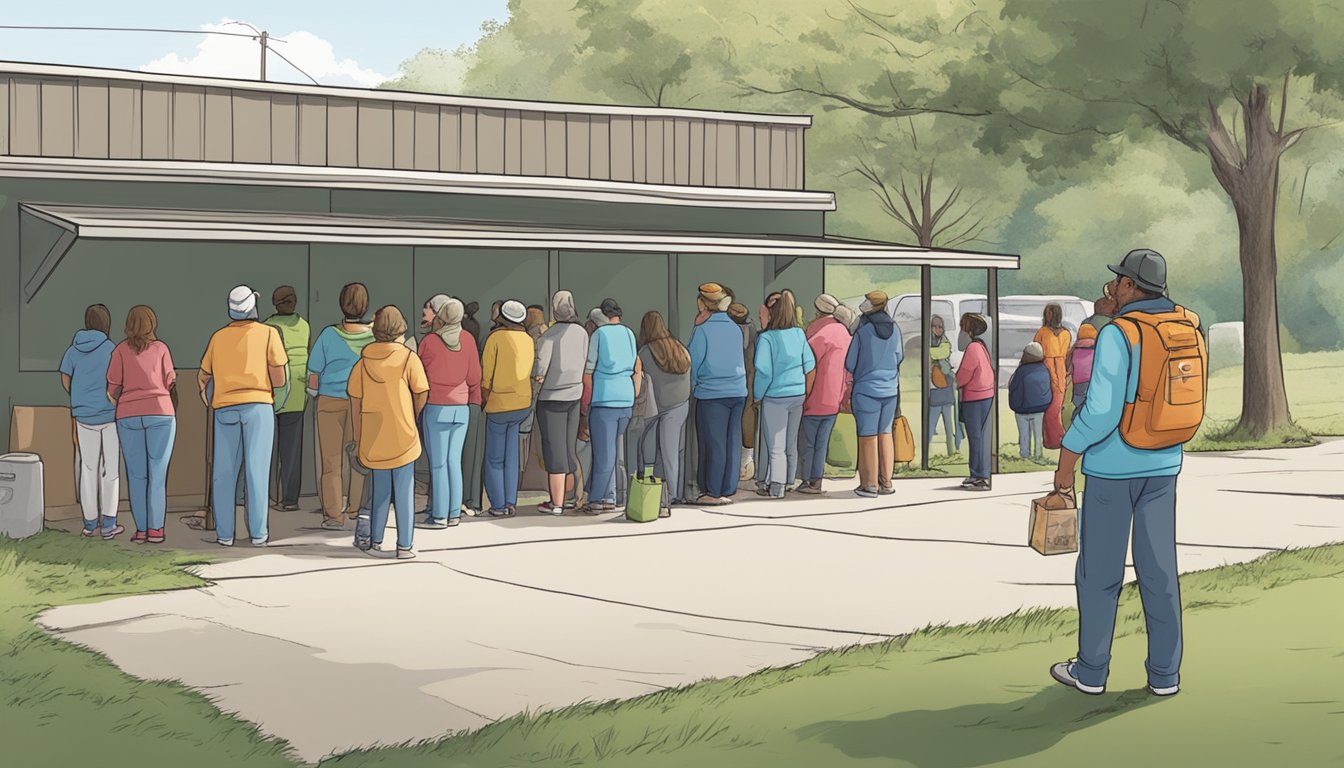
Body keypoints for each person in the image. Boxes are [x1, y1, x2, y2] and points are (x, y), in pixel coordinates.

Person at [1050, 248, 1204, 698]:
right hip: (1164, 462)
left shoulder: (1121, 333)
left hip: (1112, 470)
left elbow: (1100, 412)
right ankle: (1164, 676)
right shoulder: (1186, 326)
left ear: (1132, 287)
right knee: (1160, 571)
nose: (1113, 287)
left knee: (1099, 573)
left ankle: (1092, 671)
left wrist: (1067, 456)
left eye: (1119, 281)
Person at [199, 286, 288, 547]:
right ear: (253, 307)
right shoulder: (269, 334)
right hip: (258, 407)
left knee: (224, 473)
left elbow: (203, 375)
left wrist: (210, 397)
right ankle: (258, 533)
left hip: (225, 408)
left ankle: (225, 534)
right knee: (256, 471)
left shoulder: (218, 337)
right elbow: (280, 378)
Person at [348, 306, 429, 558]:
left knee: (380, 491)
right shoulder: (408, 358)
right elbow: (422, 391)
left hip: (374, 436)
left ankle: (375, 542)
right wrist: (411, 416)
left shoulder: (362, 364)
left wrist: (359, 438)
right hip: (403, 434)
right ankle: (404, 546)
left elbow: (355, 403)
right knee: (404, 492)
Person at [107, 305, 176, 544]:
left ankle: (141, 530)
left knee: (136, 476)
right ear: (152, 323)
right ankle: (156, 529)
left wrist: (124, 398)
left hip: (128, 415)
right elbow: (170, 381)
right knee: (157, 474)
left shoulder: (120, 351)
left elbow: (113, 386)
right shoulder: (161, 349)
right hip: (160, 413)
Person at [308, 283, 374, 529]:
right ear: (365, 306)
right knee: (359, 455)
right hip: (363, 403)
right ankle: (356, 508)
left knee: (331, 462)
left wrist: (314, 394)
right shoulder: (374, 336)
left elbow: (313, 373)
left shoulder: (328, 335)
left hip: (329, 402)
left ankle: (334, 515)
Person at [414, 298, 479, 529]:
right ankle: (453, 513)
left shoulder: (430, 341)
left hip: (436, 407)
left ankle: (439, 515)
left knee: (439, 464)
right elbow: (474, 378)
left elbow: (419, 375)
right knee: (454, 462)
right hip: (461, 409)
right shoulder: (468, 340)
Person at [60, 304, 123, 539]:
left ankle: (89, 523)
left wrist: (78, 397)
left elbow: (66, 378)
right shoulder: (111, 349)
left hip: (83, 415)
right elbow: (117, 380)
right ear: (106, 324)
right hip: (109, 416)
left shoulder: (73, 349)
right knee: (111, 470)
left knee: (88, 469)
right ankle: (109, 523)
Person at [581, 298, 642, 513]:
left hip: (604, 398)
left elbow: (588, 372)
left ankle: (598, 498)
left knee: (604, 453)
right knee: (613, 452)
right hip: (625, 398)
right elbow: (635, 365)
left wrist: (585, 402)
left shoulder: (600, 334)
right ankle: (610, 494)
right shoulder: (629, 333)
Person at [688, 283, 747, 506]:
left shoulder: (702, 330)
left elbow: (693, 363)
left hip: (712, 393)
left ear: (702, 303)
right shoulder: (734, 328)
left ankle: (712, 491)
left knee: (714, 443)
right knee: (732, 440)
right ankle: (728, 487)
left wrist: (691, 388)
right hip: (737, 391)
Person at [753, 290, 815, 498]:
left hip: (775, 396)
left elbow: (763, 371)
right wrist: (805, 391)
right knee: (790, 443)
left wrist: (757, 395)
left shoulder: (767, 339)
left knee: (775, 445)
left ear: (772, 314)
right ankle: (788, 481)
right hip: (797, 394)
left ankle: (777, 487)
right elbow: (810, 364)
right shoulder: (798, 334)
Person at [845, 291, 904, 498]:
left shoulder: (863, 332)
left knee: (867, 436)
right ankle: (886, 482)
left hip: (866, 390)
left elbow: (850, 363)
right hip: (890, 390)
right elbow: (899, 356)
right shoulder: (895, 329)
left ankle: (869, 485)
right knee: (885, 434)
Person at [533, 290, 587, 514]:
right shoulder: (582, 333)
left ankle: (556, 503)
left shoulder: (549, 336)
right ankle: (572, 497)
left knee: (553, 451)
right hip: (574, 394)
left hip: (551, 398)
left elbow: (539, 370)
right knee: (567, 448)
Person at [481, 299, 534, 517]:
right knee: (512, 455)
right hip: (522, 402)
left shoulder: (495, 338)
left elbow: (487, 376)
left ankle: (498, 504)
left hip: (499, 403)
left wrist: (484, 399)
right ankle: (511, 501)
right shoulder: (528, 340)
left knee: (494, 458)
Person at [636, 310, 691, 505]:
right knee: (673, 451)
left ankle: (657, 492)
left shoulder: (645, 352)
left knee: (649, 450)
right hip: (681, 404)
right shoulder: (680, 347)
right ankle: (674, 493)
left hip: (656, 407)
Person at [263, 286, 310, 512]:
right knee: (291, 451)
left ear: (275, 303)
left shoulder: (266, 327)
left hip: (272, 392)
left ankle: (267, 496)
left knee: (266, 449)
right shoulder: (304, 326)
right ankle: (290, 499)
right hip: (297, 393)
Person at [798, 294, 850, 494]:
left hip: (814, 397)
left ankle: (808, 481)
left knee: (809, 443)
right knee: (822, 442)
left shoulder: (815, 335)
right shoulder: (844, 333)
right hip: (834, 397)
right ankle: (817, 481)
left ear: (818, 311)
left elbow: (807, 368)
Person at [955, 313, 994, 491]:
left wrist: (954, 381)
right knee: (978, 436)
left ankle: (978, 475)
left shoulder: (972, 348)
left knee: (975, 437)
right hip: (985, 395)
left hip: (974, 397)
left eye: (962, 327)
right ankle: (978, 473)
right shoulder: (982, 347)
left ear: (969, 329)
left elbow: (964, 374)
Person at [1068, 293, 1119, 411]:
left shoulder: (1086, 322)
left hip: (1080, 376)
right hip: (1100, 375)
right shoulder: (1111, 324)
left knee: (1080, 405)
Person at [727, 301, 757, 482]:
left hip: (732, 383)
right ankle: (746, 461)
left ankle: (742, 463)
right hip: (749, 380)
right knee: (746, 419)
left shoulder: (729, 332)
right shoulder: (752, 329)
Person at [460, 300, 486, 515]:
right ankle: (472, 501)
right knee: (473, 457)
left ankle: (457, 500)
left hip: (460, 401)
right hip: (473, 401)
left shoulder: (461, 339)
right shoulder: (473, 342)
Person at [1036, 303, 1073, 449]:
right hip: (1046, 369)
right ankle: (1052, 439)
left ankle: (1057, 438)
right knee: (1050, 407)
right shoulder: (1042, 332)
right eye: (1047, 313)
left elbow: (1067, 354)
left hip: (1061, 369)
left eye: (1052, 313)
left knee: (1057, 406)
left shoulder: (1066, 333)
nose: (1049, 316)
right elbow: (1037, 350)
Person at [1008, 342, 1051, 460]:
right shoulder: (1044, 369)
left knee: (1024, 435)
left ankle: (1025, 455)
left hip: (1021, 409)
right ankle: (1038, 455)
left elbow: (1013, 387)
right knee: (1038, 435)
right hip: (1039, 408)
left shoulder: (1021, 371)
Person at [927, 315, 963, 455]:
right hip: (934, 391)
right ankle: (927, 453)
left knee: (950, 425)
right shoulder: (930, 340)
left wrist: (929, 351)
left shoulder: (945, 342)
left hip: (945, 389)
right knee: (930, 425)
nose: (937, 329)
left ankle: (952, 451)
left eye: (940, 326)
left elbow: (940, 353)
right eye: (934, 326)